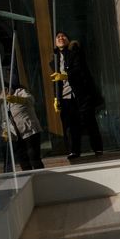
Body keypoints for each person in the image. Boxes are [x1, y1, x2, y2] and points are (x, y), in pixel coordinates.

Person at [50, 31, 103, 159]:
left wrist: (65, 75)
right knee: (71, 125)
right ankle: (74, 151)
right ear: (55, 43)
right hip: (66, 97)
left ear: (68, 40)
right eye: (58, 37)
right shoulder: (54, 61)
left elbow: (80, 70)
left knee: (89, 121)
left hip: (81, 94)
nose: (61, 38)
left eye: (63, 36)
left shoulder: (75, 53)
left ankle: (98, 148)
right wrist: (56, 98)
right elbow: (56, 82)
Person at [0, 77, 44, 170]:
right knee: (23, 159)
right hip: (16, 135)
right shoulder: (3, 103)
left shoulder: (20, 92)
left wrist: (16, 99)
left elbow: (30, 100)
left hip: (29, 130)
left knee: (33, 156)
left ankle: (40, 177)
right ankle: (28, 177)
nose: (1, 93)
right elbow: (3, 119)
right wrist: (5, 130)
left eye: (3, 90)